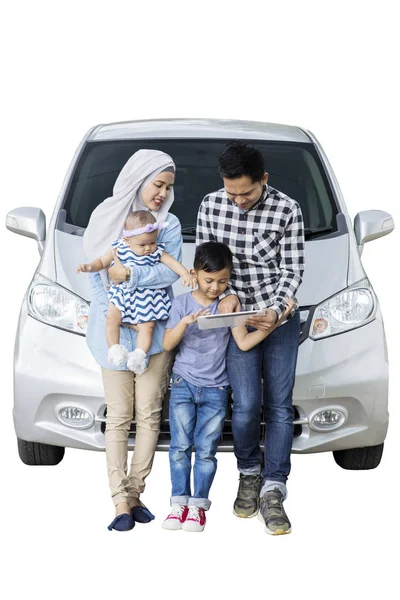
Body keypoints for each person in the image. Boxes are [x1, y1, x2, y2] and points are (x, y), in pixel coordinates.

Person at [196, 142, 305, 535]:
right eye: (232, 192)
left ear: (264, 179)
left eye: (247, 192)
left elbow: (291, 271)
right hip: (235, 317)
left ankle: (275, 487)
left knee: (278, 406)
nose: (238, 200)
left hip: (278, 317)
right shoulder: (211, 204)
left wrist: (275, 312)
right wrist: (228, 299)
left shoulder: (287, 210)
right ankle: (248, 474)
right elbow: (205, 261)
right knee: (244, 406)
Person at [161, 242, 294, 533]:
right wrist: (186, 323)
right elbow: (168, 344)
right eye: (209, 281)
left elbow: (244, 342)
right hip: (184, 383)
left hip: (216, 389)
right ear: (194, 274)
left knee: (206, 450)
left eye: (223, 281)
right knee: (180, 447)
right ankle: (177, 503)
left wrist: (277, 320)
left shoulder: (228, 305)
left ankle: (198, 506)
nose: (215, 287)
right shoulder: (182, 303)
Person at [83, 149, 182, 531]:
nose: (161, 193)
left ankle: (136, 492)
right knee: (119, 417)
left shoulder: (168, 224)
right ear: (138, 179)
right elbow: (96, 272)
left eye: (168, 187)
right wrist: (114, 307)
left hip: (152, 336)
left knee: (149, 416)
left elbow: (167, 274)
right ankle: (119, 500)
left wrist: (129, 278)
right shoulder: (105, 216)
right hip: (111, 335)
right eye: (157, 184)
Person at [78, 210, 196, 374]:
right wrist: (89, 267)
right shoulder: (119, 247)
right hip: (123, 294)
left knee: (147, 326)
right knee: (112, 319)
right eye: (142, 245)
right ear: (127, 239)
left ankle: (139, 355)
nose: (148, 248)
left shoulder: (156, 251)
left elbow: (172, 263)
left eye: (152, 243)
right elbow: (101, 262)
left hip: (147, 296)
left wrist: (185, 274)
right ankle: (114, 348)